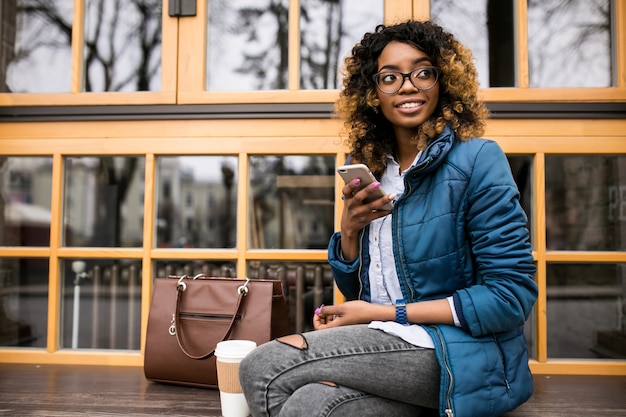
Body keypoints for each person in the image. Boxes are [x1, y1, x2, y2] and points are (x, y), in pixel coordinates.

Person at [239, 20, 537, 417]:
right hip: (386, 347)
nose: (408, 86)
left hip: (456, 354)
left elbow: (510, 297)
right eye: (390, 77)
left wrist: (381, 314)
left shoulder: (477, 160)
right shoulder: (373, 169)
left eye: (423, 72)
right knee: (309, 405)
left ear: (443, 81)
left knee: (264, 366)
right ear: (372, 93)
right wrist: (349, 233)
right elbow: (362, 288)